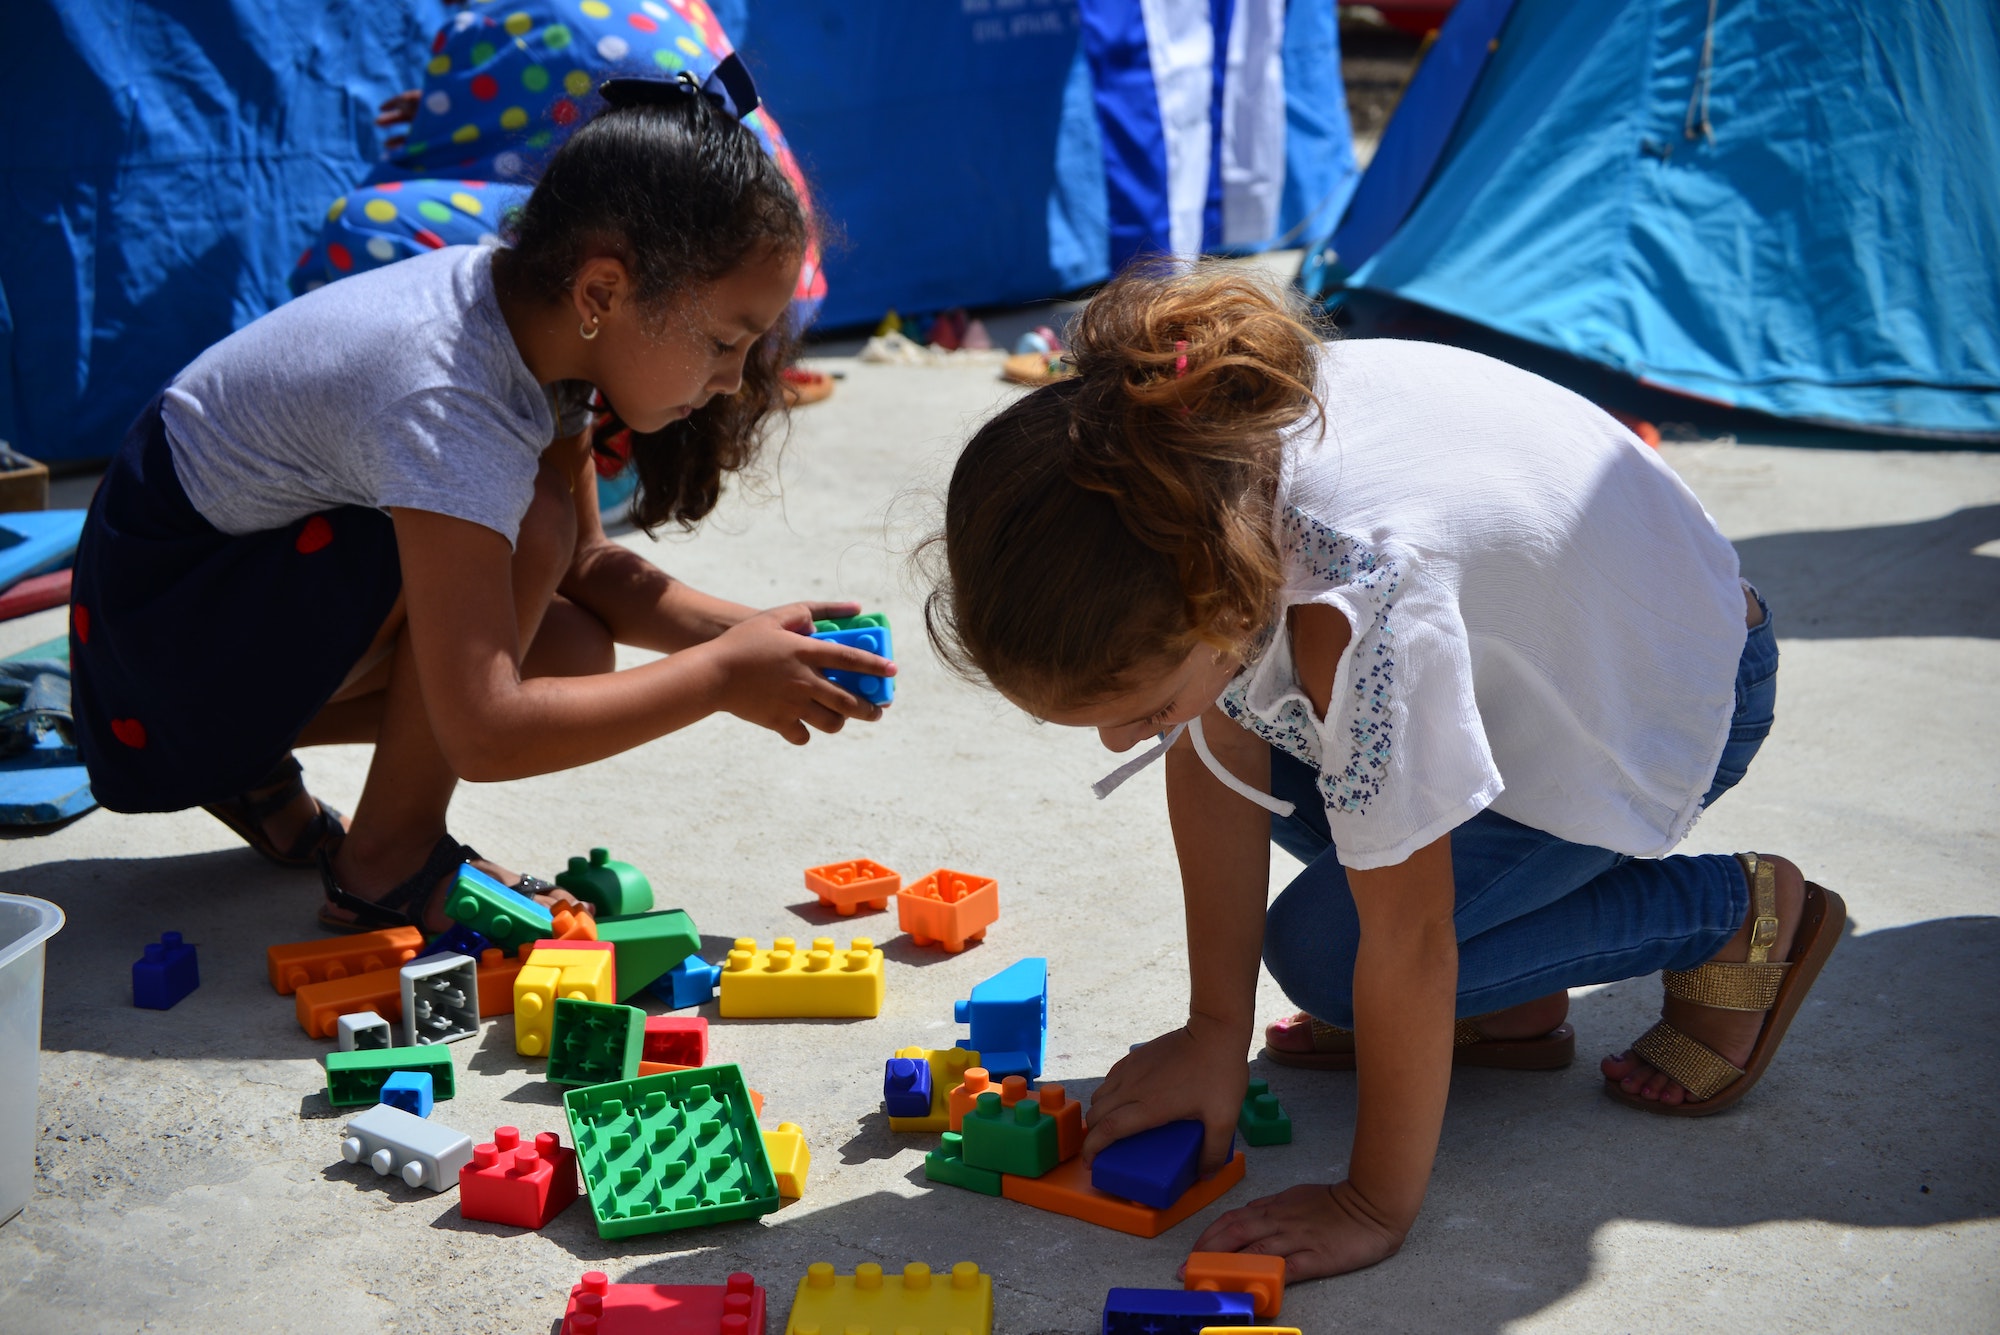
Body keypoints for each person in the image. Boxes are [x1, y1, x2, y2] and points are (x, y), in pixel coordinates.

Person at [922, 262, 1843, 1282]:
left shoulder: (1350, 616)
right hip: (1548, 658)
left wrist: (1369, 1202)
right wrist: (1211, 1031)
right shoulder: (1197, 465)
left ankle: (1729, 913)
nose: (1116, 743)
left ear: (1222, 611)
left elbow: (1408, 941)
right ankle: (1510, 1003)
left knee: (1332, 959)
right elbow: (1215, 753)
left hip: (1664, 700)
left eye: (1132, 710)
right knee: (1256, 751)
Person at [70, 65, 891, 932]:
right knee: (528, 527)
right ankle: (385, 858)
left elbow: (585, 564)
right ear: (603, 292)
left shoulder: (528, 320)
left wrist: (760, 636)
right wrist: (723, 677)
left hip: (202, 622)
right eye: (727, 341)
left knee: (569, 643)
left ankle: (250, 765)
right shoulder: (449, 395)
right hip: (157, 660)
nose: (732, 381)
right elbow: (486, 730)